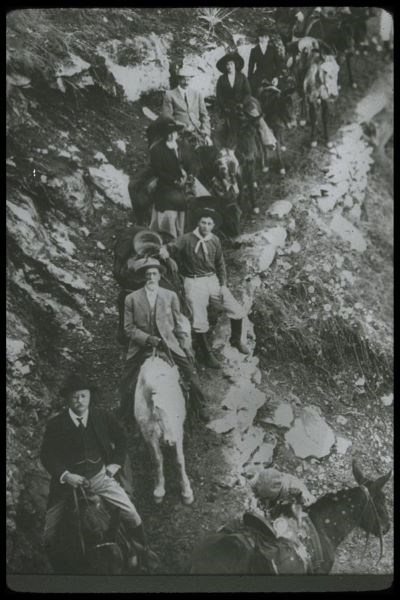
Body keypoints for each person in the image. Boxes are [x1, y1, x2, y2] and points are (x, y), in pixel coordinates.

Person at [40, 373, 155, 571]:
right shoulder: (56, 424)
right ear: (67, 399)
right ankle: (57, 572)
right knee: (48, 533)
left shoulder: (102, 417)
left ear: (90, 396)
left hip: (100, 478)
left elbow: (121, 440)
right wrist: (67, 476)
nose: (79, 401)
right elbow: (47, 455)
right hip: (68, 486)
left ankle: (144, 553)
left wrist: (115, 465)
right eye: (75, 397)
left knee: (131, 513)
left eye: (83, 396)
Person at [159, 204, 250, 369]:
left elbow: (220, 264)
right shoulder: (186, 239)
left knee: (236, 309)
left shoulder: (214, 240)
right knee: (199, 318)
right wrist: (164, 250)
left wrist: (223, 285)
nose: (206, 226)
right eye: (203, 222)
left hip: (212, 280)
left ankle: (235, 340)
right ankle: (207, 356)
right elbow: (170, 247)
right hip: (193, 282)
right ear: (198, 223)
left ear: (213, 225)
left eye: (209, 223)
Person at [119, 257, 209, 422]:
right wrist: (147, 339)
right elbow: (128, 329)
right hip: (142, 345)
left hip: (168, 343)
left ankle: (200, 405)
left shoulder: (170, 296)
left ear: (160, 276)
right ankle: (124, 411)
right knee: (127, 378)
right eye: (148, 274)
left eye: (154, 274)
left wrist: (185, 346)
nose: (151, 278)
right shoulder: (131, 298)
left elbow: (179, 324)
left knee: (189, 370)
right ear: (143, 277)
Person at [148, 116, 191, 239]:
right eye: (169, 133)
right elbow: (158, 171)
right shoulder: (157, 149)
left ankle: (185, 233)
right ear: (164, 134)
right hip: (165, 184)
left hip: (182, 180)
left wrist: (184, 173)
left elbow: (185, 163)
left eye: (174, 132)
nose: (172, 135)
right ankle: (171, 235)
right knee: (176, 202)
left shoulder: (180, 146)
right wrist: (174, 180)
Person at [162, 65, 212, 147]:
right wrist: (183, 127)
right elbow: (167, 117)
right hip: (179, 132)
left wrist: (206, 133)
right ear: (178, 79)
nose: (186, 82)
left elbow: (204, 116)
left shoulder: (197, 94)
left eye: (188, 80)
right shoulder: (170, 94)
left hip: (198, 131)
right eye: (183, 79)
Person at [251, 467, 316, 530]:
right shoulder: (265, 479)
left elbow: (310, 502)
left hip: (292, 503)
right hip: (277, 495)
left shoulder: (296, 489)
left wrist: (300, 497)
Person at [215, 51, 251, 149]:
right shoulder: (221, 79)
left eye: (231, 64)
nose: (229, 66)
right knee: (221, 127)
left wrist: (243, 104)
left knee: (255, 121)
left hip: (241, 106)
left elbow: (248, 93)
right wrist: (224, 107)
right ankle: (227, 147)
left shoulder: (242, 77)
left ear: (235, 65)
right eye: (227, 64)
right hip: (227, 108)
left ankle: (267, 141)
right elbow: (219, 96)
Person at [248, 23, 284, 94]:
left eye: (265, 37)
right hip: (258, 76)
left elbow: (279, 65)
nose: (263, 39)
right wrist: (249, 79)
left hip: (271, 76)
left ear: (268, 38)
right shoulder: (254, 50)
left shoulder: (273, 49)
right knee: (250, 91)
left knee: (281, 92)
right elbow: (251, 66)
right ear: (259, 37)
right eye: (261, 36)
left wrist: (276, 77)